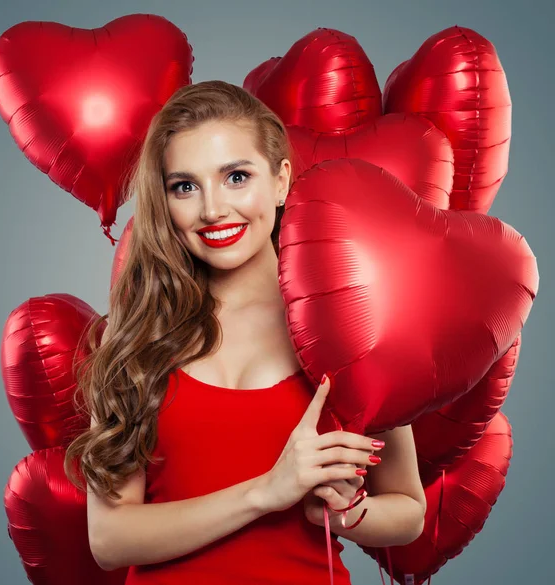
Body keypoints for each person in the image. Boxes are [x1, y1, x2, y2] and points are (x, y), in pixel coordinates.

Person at [64, 80, 427, 584]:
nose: (212, 209)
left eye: (236, 177)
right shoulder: (138, 333)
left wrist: (344, 514)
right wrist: (265, 492)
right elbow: (109, 540)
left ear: (280, 181)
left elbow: (409, 510)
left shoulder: (348, 323)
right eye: (184, 186)